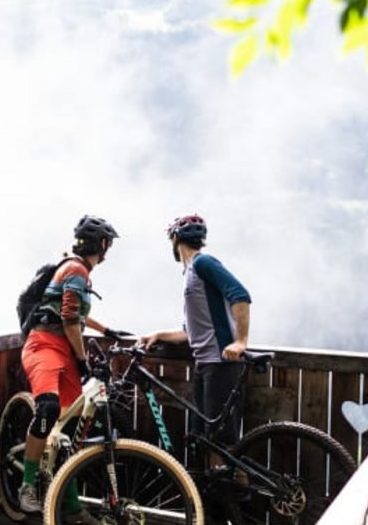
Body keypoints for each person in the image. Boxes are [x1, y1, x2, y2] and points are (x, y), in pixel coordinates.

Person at [17, 215, 125, 524]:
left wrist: (106, 329)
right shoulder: (76, 269)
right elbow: (68, 318)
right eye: (109, 244)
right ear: (101, 244)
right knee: (49, 410)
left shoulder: (76, 270)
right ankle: (27, 485)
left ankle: (71, 505)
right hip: (44, 346)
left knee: (69, 432)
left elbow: (76, 312)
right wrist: (83, 362)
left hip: (61, 348)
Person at [139, 214, 251, 476]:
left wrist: (240, 341)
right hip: (205, 363)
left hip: (221, 363)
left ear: (175, 239)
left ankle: (237, 500)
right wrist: (158, 334)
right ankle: (216, 500)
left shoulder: (204, 263)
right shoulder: (191, 272)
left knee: (222, 442)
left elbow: (241, 295)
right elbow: (190, 331)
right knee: (206, 437)